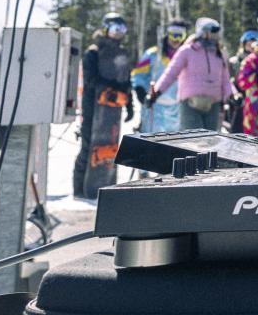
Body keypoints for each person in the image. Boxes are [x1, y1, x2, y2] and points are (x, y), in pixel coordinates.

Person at [75, 11, 134, 199]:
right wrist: (110, 91)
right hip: (94, 106)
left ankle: (106, 185)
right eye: (115, 28)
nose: (118, 33)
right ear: (106, 28)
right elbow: (91, 80)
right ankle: (79, 191)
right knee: (88, 147)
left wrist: (129, 102)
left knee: (110, 147)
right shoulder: (93, 52)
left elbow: (126, 81)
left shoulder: (122, 53)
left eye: (122, 29)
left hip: (114, 109)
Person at [152, 17, 228, 131]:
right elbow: (171, 72)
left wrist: (232, 96)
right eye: (213, 31)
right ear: (204, 32)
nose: (216, 35)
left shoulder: (218, 54)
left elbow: (225, 79)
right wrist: (157, 92)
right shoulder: (187, 51)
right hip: (190, 103)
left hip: (213, 104)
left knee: (211, 140)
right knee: (192, 141)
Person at [131, 20, 187, 133]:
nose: (176, 40)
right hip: (154, 107)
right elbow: (138, 75)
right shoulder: (152, 54)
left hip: (176, 109)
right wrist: (140, 91)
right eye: (173, 35)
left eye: (180, 36)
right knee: (151, 142)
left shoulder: (186, 56)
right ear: (167, 35)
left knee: (174, 143)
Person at [224, 28, 258, 133]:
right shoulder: (234, 62)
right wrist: (234, 95)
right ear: (244, 44)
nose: (252, 46)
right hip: (238, 102)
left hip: (256, 102)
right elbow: (228, 80)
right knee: (237, 132)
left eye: (254, 43)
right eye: (249, 43)